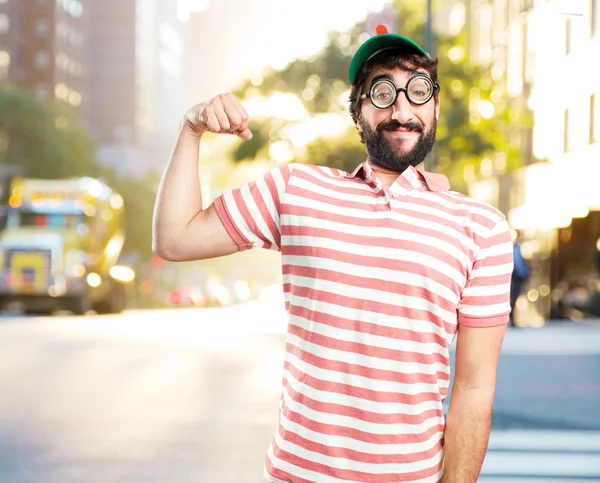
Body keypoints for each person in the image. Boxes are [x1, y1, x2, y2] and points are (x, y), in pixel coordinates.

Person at [153, 25, 514, 483]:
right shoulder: (295, 190)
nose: (401, 109)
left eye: (418, 91)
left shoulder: (482, 228)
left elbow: (474, 386)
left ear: (436, 107)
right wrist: (192, 130)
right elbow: (174, 239)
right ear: (357, 113)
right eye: (382, 93)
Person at [510, 231, 531, 326]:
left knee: (515, 297)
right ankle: (512, 319)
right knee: (514, 297)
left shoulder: (518, 247)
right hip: (517, 276)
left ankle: (513, 319)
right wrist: (524, 273)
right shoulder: (515, 248)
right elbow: (518, 264)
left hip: (518, 275)